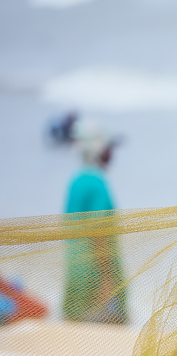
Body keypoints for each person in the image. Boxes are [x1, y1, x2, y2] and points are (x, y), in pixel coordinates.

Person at [62, 118, 127, 324]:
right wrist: (108, 282)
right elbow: (100, 234)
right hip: (96, 277)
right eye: (109, 147)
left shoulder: (76, 181)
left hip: (75, 272)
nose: (112, 152)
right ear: (98, 150)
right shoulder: (98, 183)